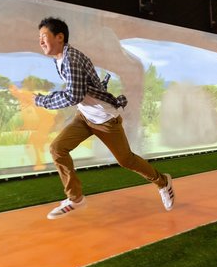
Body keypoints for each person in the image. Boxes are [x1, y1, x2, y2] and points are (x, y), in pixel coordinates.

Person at [32, 17, 175, 219]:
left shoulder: (71, 59)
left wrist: (42, 101)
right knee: (57, 148)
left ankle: (163, 182)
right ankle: (75, 198)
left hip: (105, 120)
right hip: (85, 117)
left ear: (60, 37)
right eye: (39, 37)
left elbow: (74, 96)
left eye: (44, 36)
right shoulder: (60, 59)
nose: (40, 41)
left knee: (126, 160)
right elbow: (84, 89)